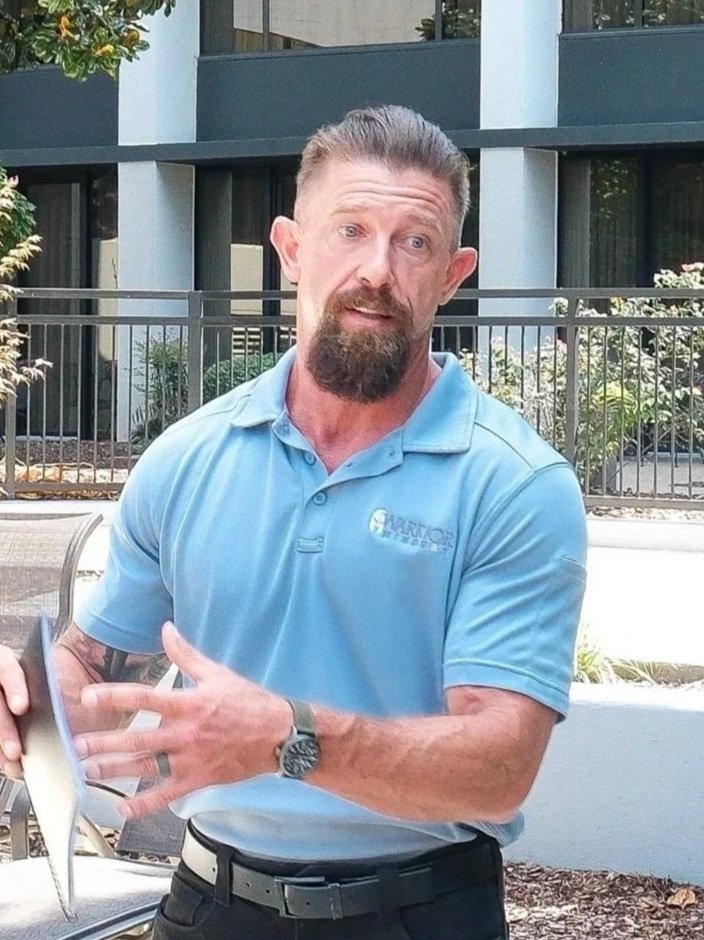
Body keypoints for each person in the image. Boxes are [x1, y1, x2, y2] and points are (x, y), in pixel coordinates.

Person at [0, 105, 587, 939]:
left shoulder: (514, 483)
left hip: (416, 914)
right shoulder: (189, 455)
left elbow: (498, 768)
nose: (378, 270)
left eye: (413, 242)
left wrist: (287, 737)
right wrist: (29, 708)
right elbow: (94, 670)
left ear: (453, 274)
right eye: (350, 229)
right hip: (206, 904)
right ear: (291, 249)